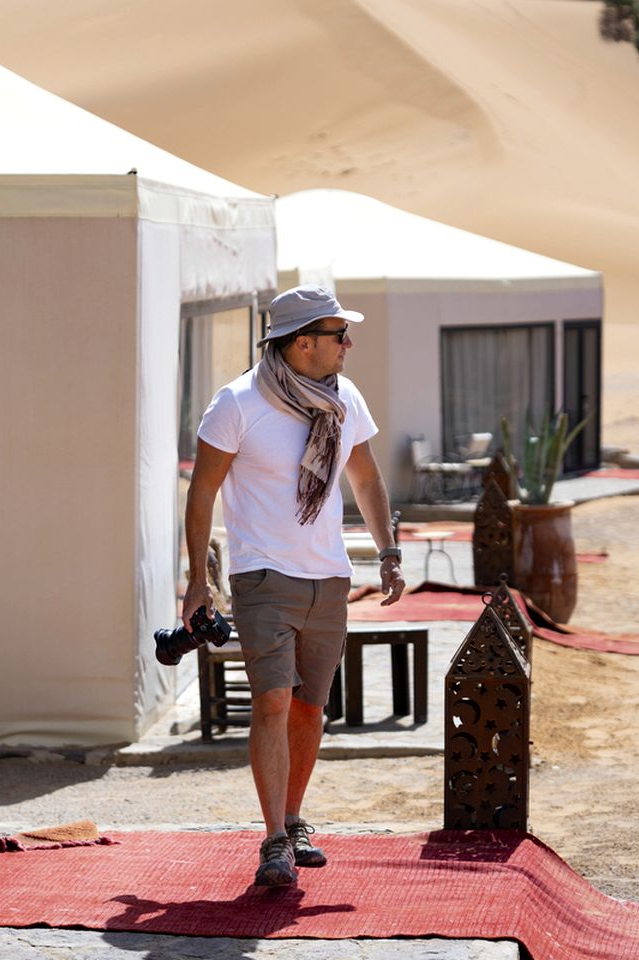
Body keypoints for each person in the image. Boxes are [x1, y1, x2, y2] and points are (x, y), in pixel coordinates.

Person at [183, 284, 406, 887]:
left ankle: (294, 817)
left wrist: (388, 552)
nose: (348, 344)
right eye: (339, 335)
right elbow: (202, 492)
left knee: (310, 707)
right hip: (261, 577)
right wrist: (197, 581)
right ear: (303, 341)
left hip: (328, 577)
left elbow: (364, 477)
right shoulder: (235, 403)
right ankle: (275, 841)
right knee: (273, 702)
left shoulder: (342, 397)